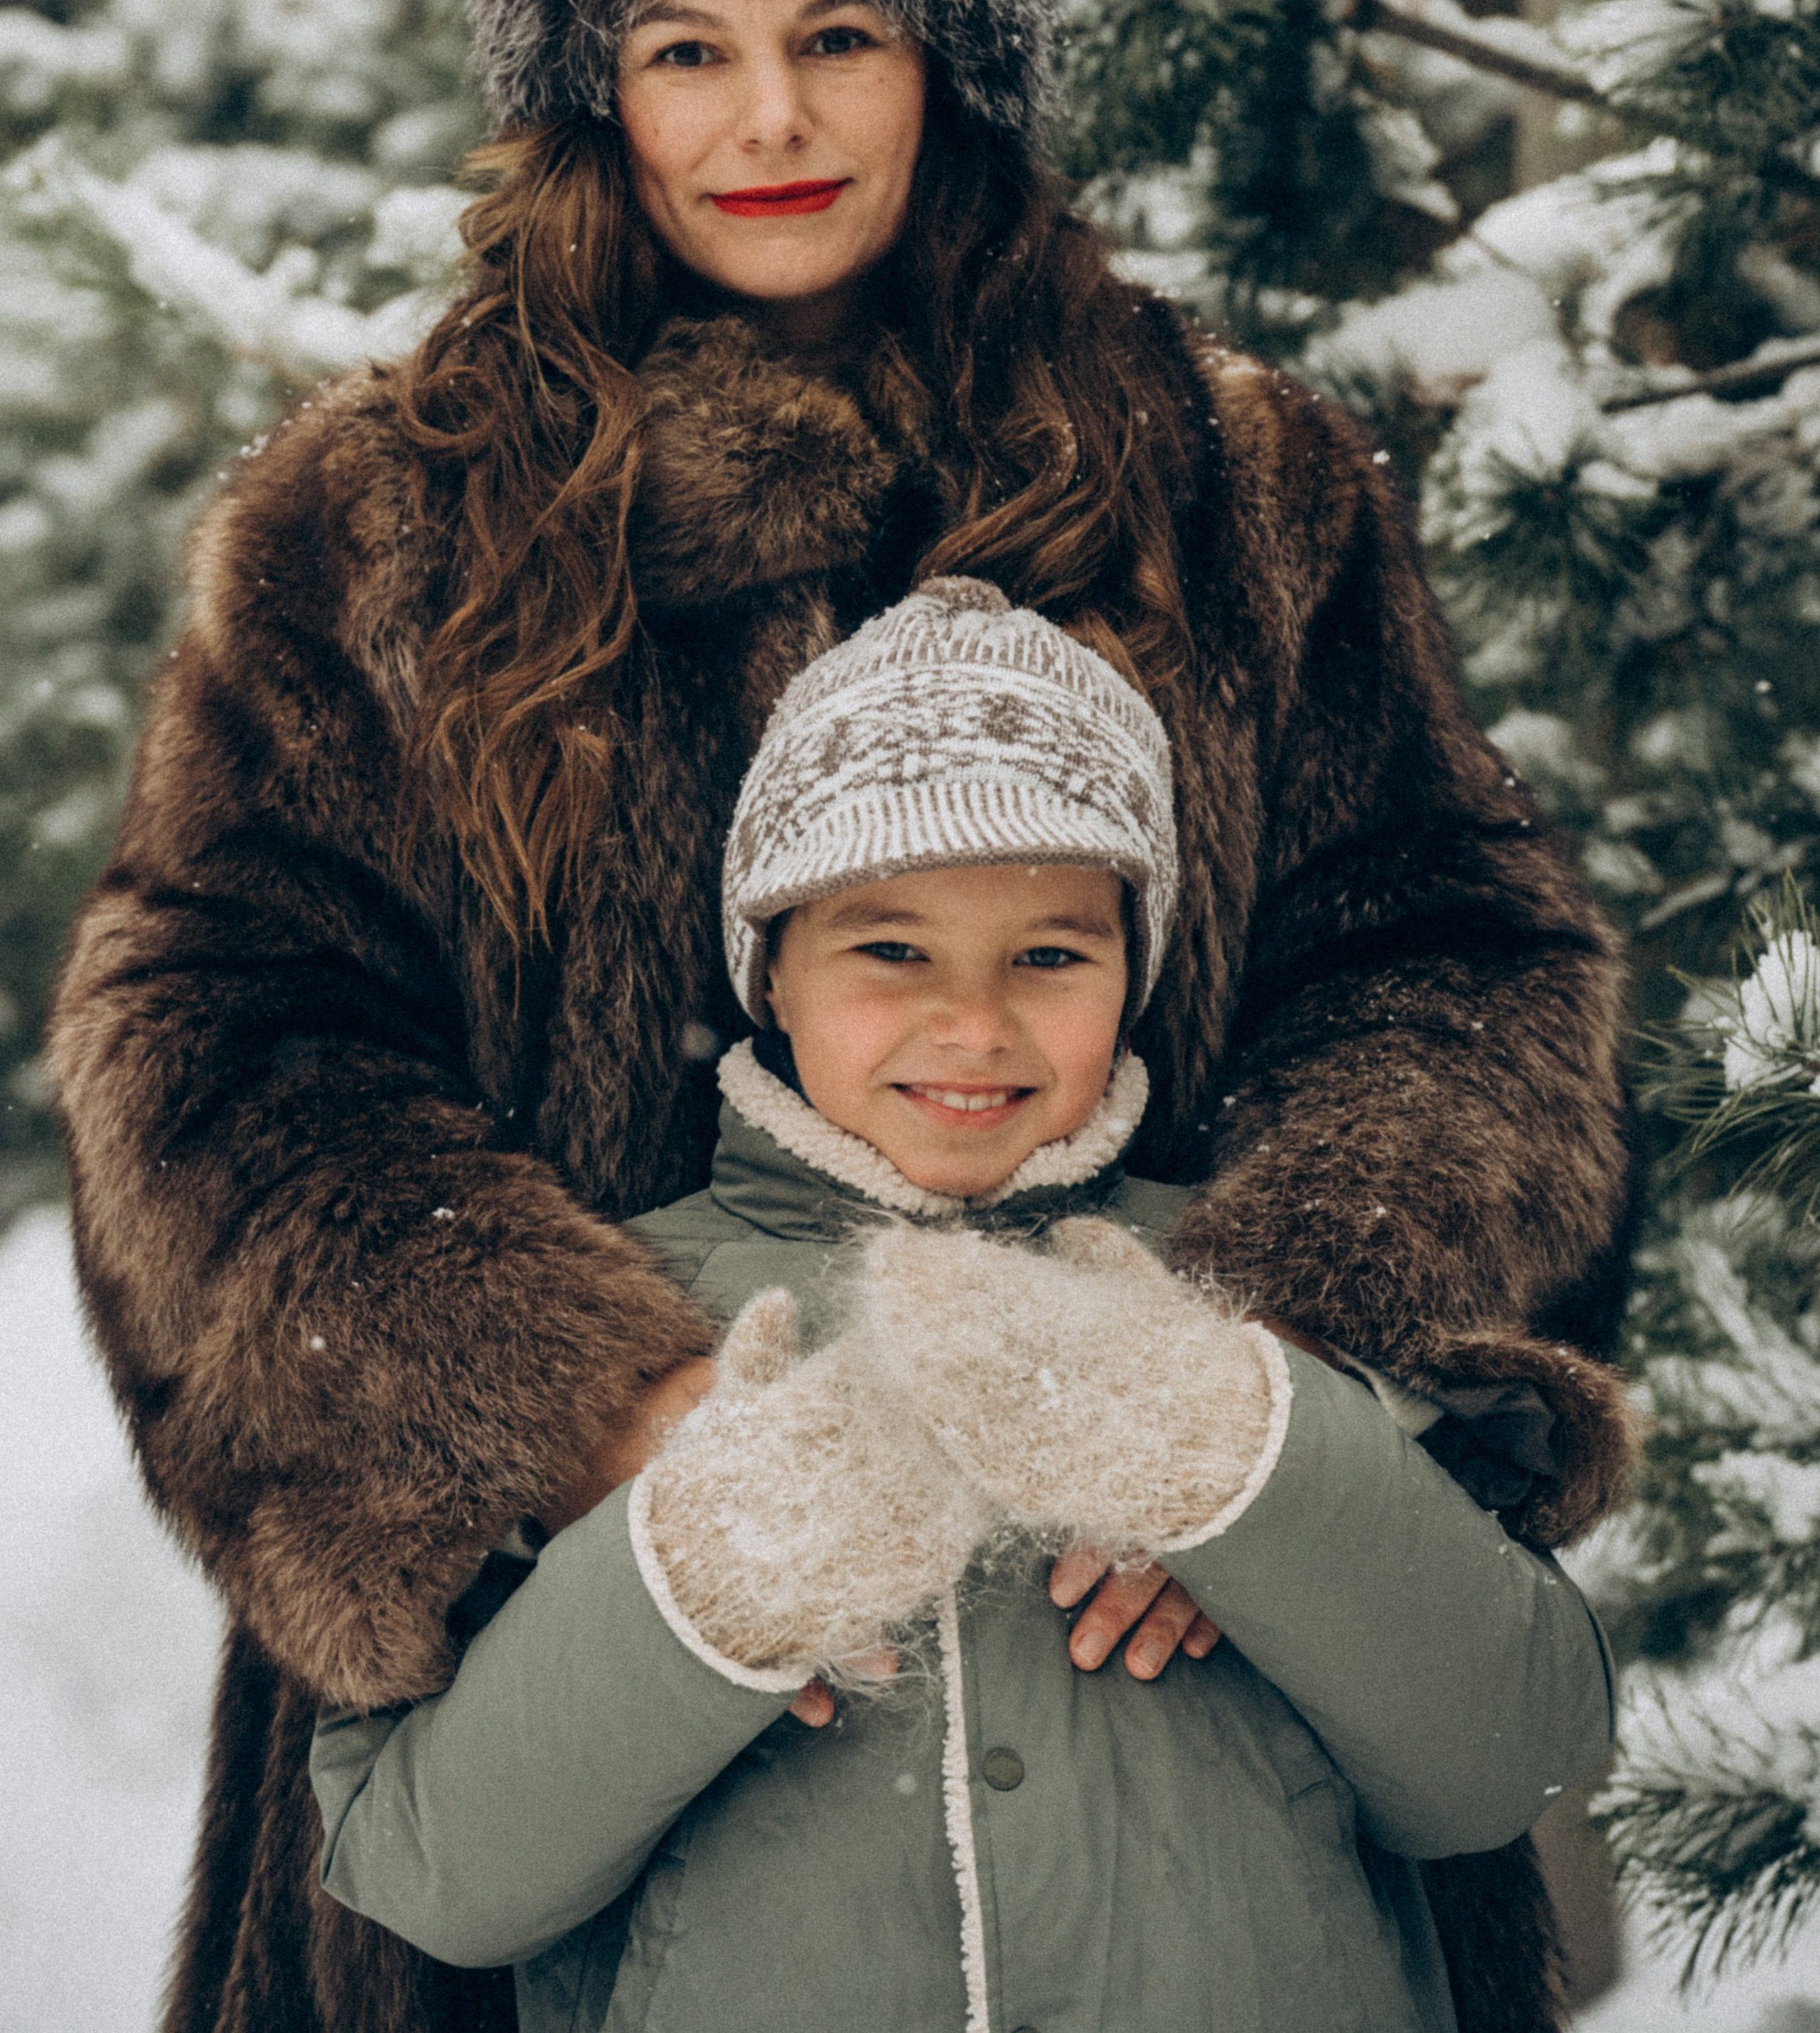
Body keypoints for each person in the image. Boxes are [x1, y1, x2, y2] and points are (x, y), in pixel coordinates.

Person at [48, 0, 1636, 2033]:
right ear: (592, 90)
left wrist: (1255, 1413)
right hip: (570, 1662)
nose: (766, 116)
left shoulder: (1235, 483)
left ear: (954, 62)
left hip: (1183, 1702)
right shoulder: (370, 531)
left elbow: (1462, 976)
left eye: (842, 34)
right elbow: (213, 1065)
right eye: (687, 46)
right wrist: (593, 1404)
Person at [309, 580, 1616, 2033]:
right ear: (771, 969)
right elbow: (432, 1878)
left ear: (1134, 971)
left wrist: (1247, 1461)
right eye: (890, 949)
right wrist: (695, 1578)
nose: (974, 1023)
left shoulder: (1268, 1307)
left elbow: (1510, 1761)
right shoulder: (603, 1353)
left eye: (1050, 954)